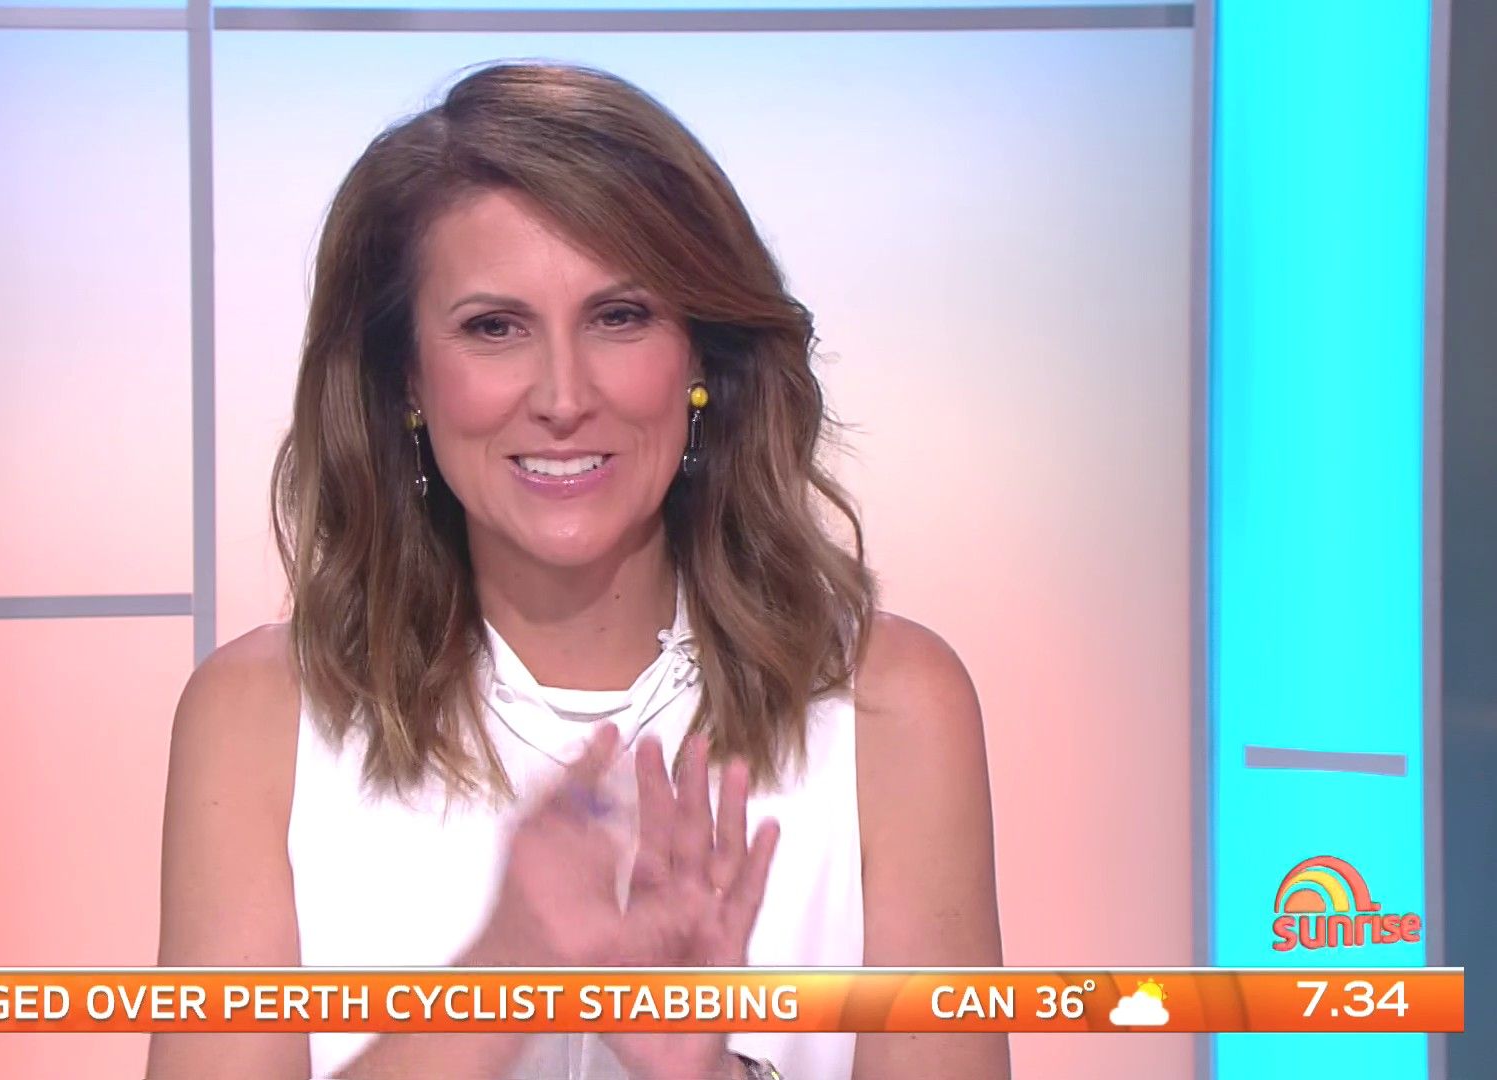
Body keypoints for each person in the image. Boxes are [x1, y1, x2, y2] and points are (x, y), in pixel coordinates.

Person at [146, 61, 1007, 1080]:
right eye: (494, 327)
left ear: (701, 358)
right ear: (406, 377)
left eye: (620, 316)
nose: (563, 396)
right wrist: (508, 973)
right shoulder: (261, 720)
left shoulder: (891, 709)